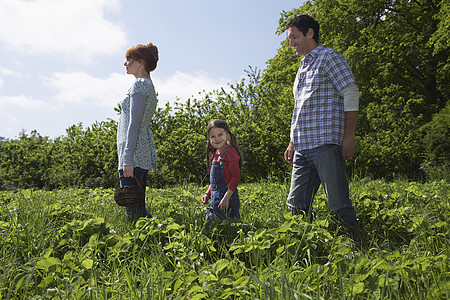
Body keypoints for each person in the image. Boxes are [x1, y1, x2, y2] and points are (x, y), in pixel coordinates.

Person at [284, 15, 360, 240]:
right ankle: (301, 248)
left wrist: (349, 136)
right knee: (296, 205)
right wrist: (292, 142)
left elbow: (351, 92)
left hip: (326, 144)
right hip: (302, 149)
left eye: (295, 37)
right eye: (290, 39)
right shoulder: (302, 66)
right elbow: (300, 106)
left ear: (310, 33)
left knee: (337, 203)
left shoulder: (330, 57)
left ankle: (353, 247)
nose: (292, 43)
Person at [117, 43, 159, 220]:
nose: (125, 64)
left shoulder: (140, 85)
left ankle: (154, 240)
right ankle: (154, 239)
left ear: (140, 62)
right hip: (137, 152)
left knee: (133, 210)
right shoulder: (145, 84)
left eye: (129, 59)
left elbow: (134, 124)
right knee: (136, 206)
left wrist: (127, 157)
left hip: (134, 155)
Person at [201, 119, 243, 222]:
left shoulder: (230, 152)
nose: (217, 139)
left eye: (220, 135)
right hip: (215, 199)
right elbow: (215, 182)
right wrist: (208, 194)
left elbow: (235, 178)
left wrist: (226, 198)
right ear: (209, 139)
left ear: (227, 135)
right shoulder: (215, 154)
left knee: (228, 225)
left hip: (228, 197)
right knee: (212, 224)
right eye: (213, 136)